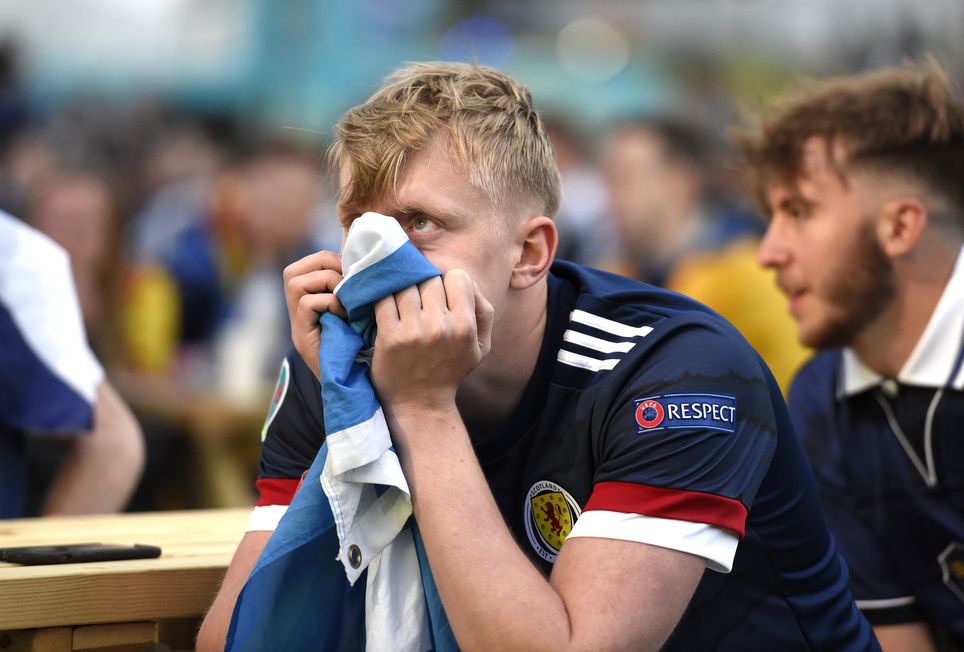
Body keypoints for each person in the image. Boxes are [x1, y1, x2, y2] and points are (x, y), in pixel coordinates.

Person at [199, 62, 877, 650]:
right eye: (359, 228)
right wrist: (354, 413)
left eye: (421, 225)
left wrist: (423, 412)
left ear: (529, 254)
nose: (374, 263)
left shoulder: (678, 368)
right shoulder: (336, 367)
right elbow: (233, 636)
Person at [738, 58, 964, 651]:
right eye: (770, 217)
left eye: (799, 213)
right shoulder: (818, 400)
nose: (768, 253)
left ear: (899, 226)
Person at [602, 116, 809, 391]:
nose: (612, 195)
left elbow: (795, 392)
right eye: (609, 179)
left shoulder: (748, 274)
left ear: (680, 180)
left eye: (626, 177)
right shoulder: (608, 278)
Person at [0, 202, 144, 519]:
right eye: (56, 222)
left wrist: (35, 567)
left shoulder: (12, 260)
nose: (69, 237)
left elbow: (113, 446)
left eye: (83, 227)